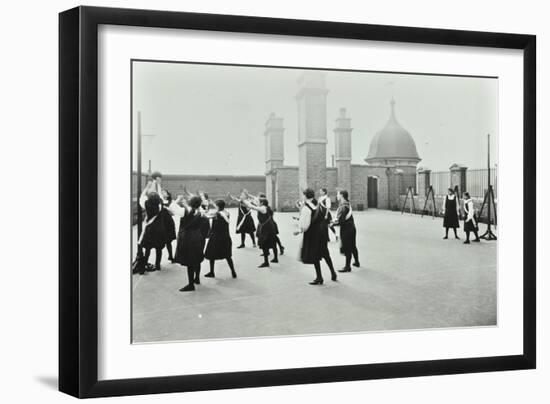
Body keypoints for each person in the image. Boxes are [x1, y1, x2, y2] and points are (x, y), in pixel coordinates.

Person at [294, 188, 337, 285]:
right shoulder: (319, 203)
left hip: (312, 234)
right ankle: (333, 273)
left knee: (315, 255)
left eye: (303, 195)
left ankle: (319, 277)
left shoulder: (306, 208)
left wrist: (299, 231)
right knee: (325, 253)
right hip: (322, 232)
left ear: (305, 196)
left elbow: (305, 225)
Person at [168, 195, 207, 292]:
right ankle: (197, 278)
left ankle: (190, 285)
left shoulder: (184, 211)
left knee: (189, 261)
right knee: (197, 258)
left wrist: (178, 199)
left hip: (188, 237)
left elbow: (172, 207)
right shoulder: (201, 211)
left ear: (190, 202)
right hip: (198, 236)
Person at [135, 181, 165, 274]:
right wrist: (158, 185)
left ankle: (143, 266)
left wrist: (147, 187)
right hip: (159, 228)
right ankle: (158, 265)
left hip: (150, 228)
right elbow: (161, 195)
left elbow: (141, 197)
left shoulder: (146, 203)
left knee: (147, 248)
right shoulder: (160, 204)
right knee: (159, 248)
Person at [204, 200, 237, 279]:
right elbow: (218, 210)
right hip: (226, 237)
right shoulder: (226, 213)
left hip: (216, 237)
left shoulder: (216, 214)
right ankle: (233, 272)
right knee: (228, 256)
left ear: (218, 206)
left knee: (211, 255)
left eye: (216, 206)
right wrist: (213, 203)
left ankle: (212, 272)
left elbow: (207, 216)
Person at [244, 197, 278, 267]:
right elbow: (254, 204)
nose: (257, 202)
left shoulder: (262, 208)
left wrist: (243, 200)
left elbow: (251, 206)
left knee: (264, 244)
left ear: (262, 203)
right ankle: (275, 258)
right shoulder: (265, 207)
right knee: (273, 243)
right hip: (270, 227)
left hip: (266, 228)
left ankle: (266, 262)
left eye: (258, 202)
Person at [332, 190, 360, 272]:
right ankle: (357, 262)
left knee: (347, 248)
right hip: (352, 228)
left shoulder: (343, 206)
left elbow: (341, 221)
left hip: (346, 229)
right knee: (353, 246)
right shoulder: (347, 203)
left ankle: (347, 267)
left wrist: (332, 224)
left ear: (342, 195)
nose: (337, 196)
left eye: (338, 194)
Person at [159, 189, 176, 262]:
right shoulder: (159, 201)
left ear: (168, 195)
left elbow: (173, 213)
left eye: (164, 192)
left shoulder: (171, 202)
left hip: (168, 222)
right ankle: (158, 262)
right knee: (160, 242)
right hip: (161, 222)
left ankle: (171, 256)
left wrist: (167, 208)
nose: (162, 193)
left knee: (168, 241)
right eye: (162, 192)